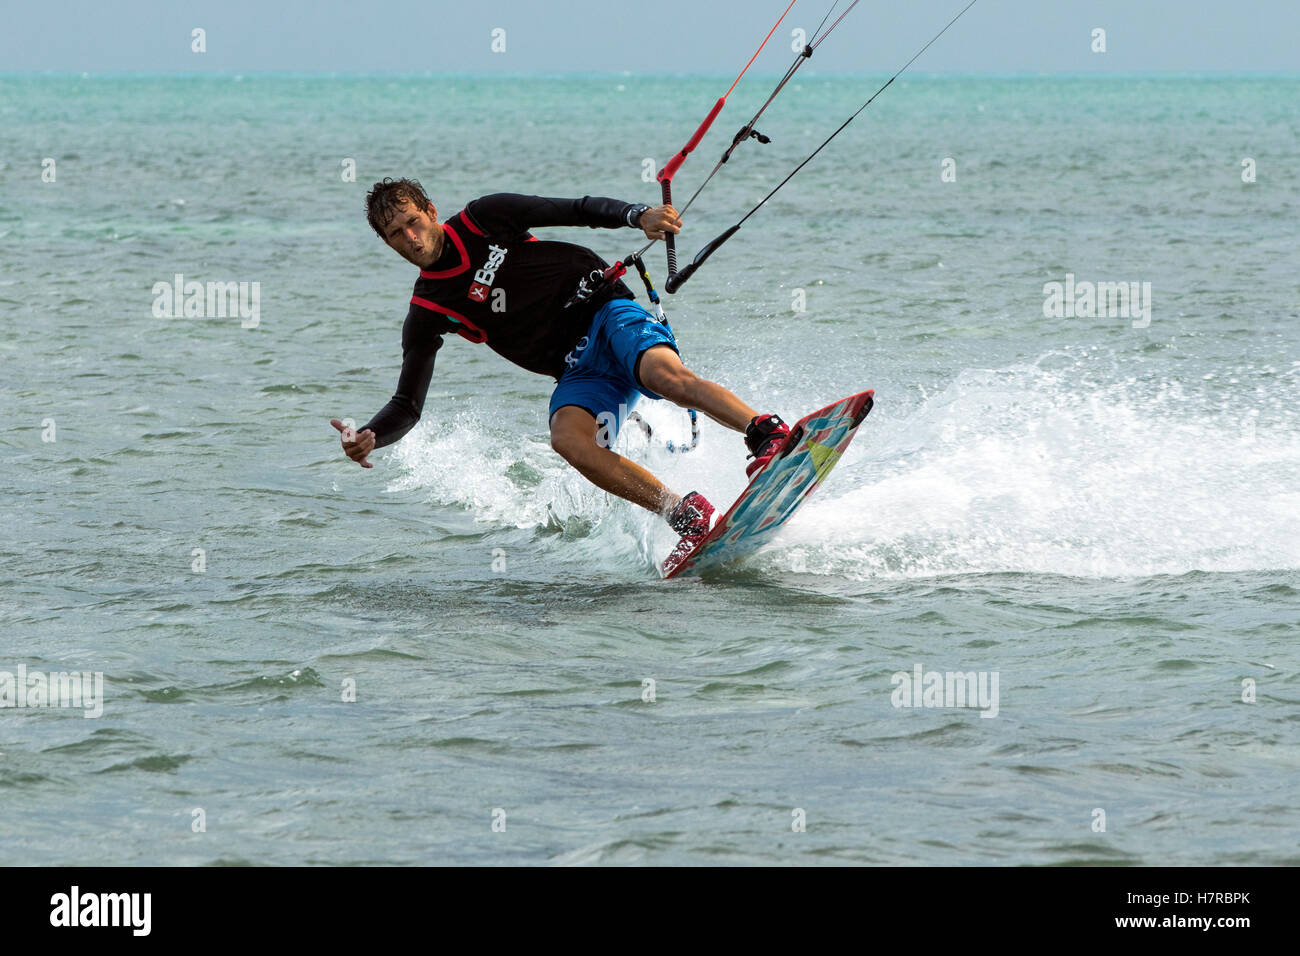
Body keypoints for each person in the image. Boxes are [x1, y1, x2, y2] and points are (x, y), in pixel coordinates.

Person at [331, 178, 790, 563]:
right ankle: (684, 515)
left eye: (413, 222)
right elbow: (407, 405)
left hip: (609, 315)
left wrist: (638, 215)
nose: (410, 238)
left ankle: (766, 433)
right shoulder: (428, 309)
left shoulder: (484, 217)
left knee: (664, 378)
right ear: (386, 242)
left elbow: (576, 209)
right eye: (395, 234)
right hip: (577, 371)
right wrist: (371, 434)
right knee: (567, 439)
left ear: (430, 211)